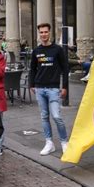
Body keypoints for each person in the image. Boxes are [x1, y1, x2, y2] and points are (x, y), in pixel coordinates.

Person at [29, 23, 69, 156]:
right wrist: (31, 84)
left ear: (49, 33)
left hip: (53, 88)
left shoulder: (57, 50)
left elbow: (65, 68)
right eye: (41, 32)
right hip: (40, 88)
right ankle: (49, 143)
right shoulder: (36, 51)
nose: (43, 34)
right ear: (39, 34)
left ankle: (64, 142)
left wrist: (64, 87)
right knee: (44, 117)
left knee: (57, 116)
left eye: (45, 32)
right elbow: (32, 69)